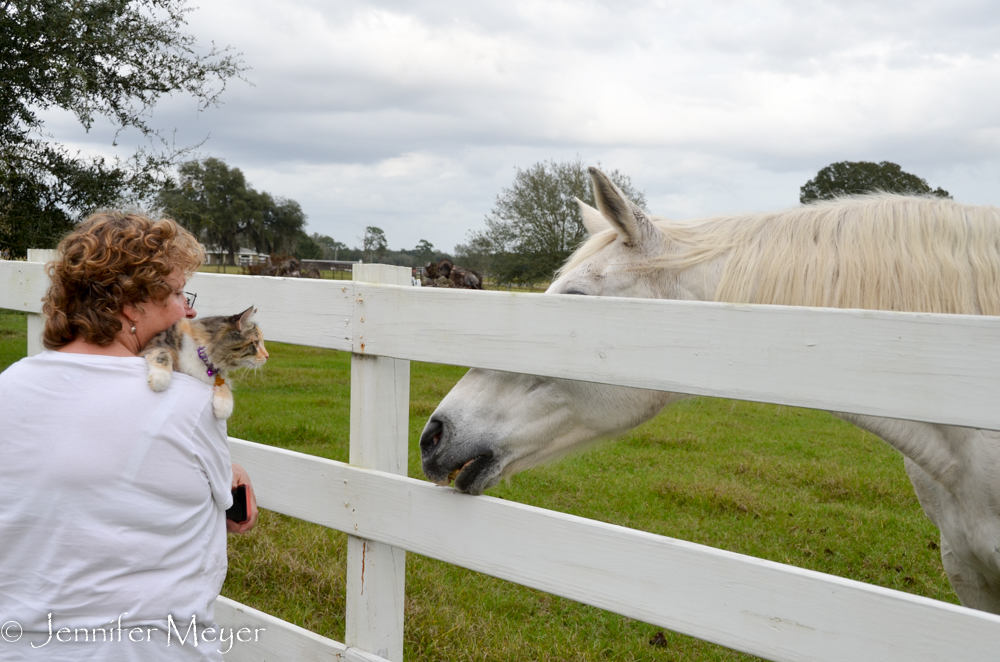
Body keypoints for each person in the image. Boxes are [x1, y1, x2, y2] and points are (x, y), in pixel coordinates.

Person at [0, 211, 258, 661]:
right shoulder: (190, 403)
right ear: (131, 304)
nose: (189, 309)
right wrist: (228, 472)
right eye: (178, 293)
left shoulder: (10, 386)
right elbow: (232, 513)